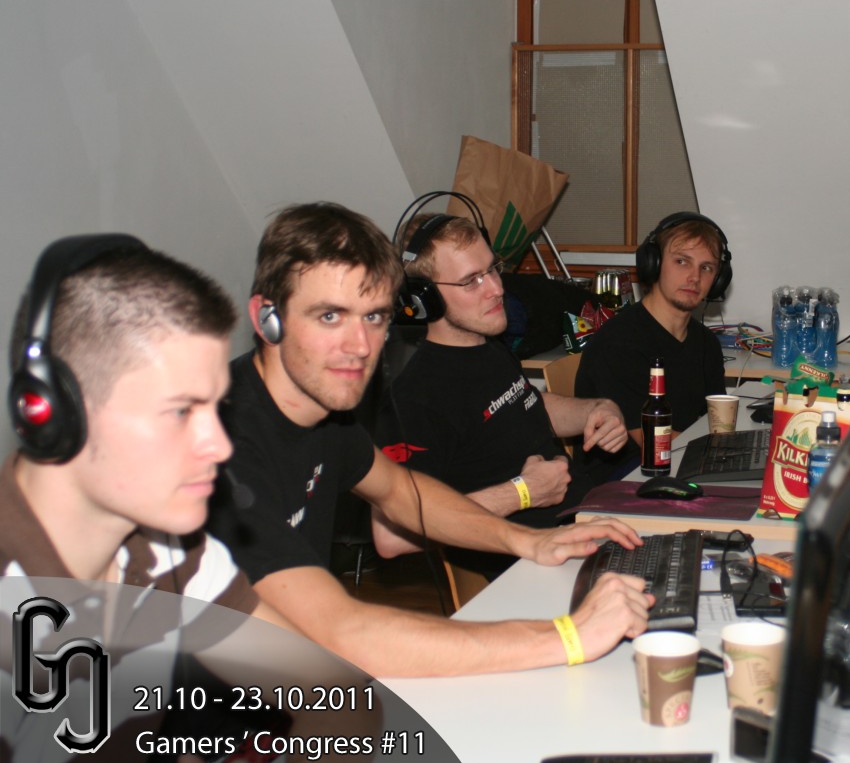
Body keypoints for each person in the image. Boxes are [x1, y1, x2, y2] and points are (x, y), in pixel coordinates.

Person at [204, 202, 652, 678]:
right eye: (330, 316)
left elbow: (404, 493)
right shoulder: (218, 448)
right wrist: (569, 636)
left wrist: (529, 541)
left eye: (374, 317)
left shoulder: (326, 413)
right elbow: (343, 631)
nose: (360, 347)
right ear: (266, 318)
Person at [0, 234, 314, 761]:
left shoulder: (170, 549)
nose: (220, 446)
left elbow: (329, 696)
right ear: (54, 412)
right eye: (181, 411)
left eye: (216, 408)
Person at [377, 213, 629, 582]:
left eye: (492, 269)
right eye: (471, 281)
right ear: (423, 298)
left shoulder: (486, 344)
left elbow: (525, 405)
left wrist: (599, 408)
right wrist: (523, 493)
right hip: (530, 567)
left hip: (584, 526)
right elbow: (391, 537)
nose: (496, 288)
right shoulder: (415, 397)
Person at [575, 212, 731, 477]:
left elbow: (716, 422)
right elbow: (655, 443)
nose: (694, 277)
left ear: (718, 279)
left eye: (706, 268)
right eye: (682, 261)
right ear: (653, 264)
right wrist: (727, 454)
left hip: (679, 466)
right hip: (624, 478)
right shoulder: (618, 343)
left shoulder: (706, 343)